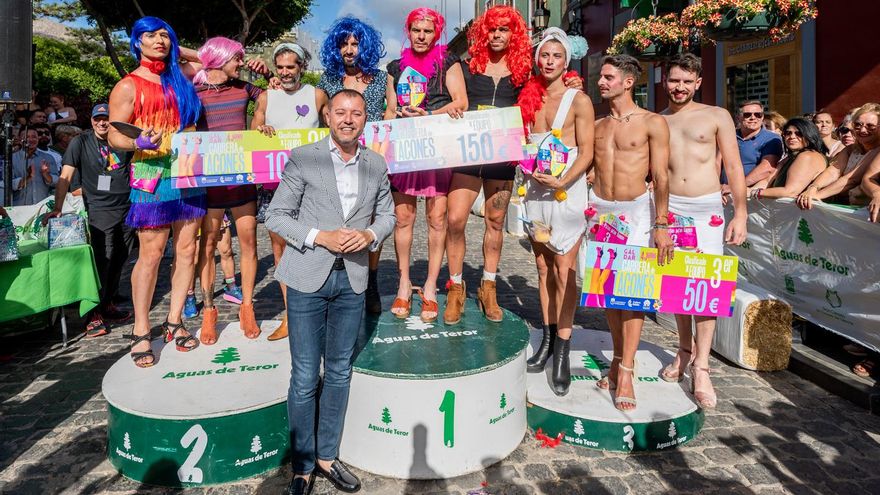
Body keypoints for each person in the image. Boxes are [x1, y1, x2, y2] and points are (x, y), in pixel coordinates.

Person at [265, 89, 395, 495]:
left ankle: (327, 456)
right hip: (306, 277)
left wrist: (371, 234)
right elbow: (275, 215)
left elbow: (389, 214)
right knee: (305, 375)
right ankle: (302, 466)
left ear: (364, 119)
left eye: (356, 113)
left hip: (353, 280)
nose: (348, 119)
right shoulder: (305, 157)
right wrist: (319, 236)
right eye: (341, 112)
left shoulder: (375, 163)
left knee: (339, 371)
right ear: (328, 115)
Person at [107, 16, 206, 368]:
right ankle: (141, 329)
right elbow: (113, 135)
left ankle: (175, 321)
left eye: (165, 35)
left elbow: (207, 59)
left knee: (187, 251)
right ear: (136, 42)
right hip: (150, 173)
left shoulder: (181, 79)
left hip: (188, 169)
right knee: (150, 254)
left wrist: (178, 47)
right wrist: (136, 139)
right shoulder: (128, 86)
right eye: (150, 35)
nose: (159, 40)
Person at [659, 53, 748, 409]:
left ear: (697, 83)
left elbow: (735, 166)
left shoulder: (716, 116)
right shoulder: (657, 120)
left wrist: (740, 212)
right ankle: (684, 350)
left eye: (686, 81)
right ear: (664, 81)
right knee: (678, 286)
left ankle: (702, 366)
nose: (679, 87)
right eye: (673, 80)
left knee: (706, 287)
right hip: (671, 211)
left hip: (706, 209)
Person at [444, 5, 536, 325]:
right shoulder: (469, 67)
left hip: (502, 157)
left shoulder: (523, 72)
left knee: (495, 222)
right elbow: (449, 101)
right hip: (468, 155)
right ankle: (456, 287)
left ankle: (488, 286)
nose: (497, 35)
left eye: (504, 30)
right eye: (492, 29)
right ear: (485, 32)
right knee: (454, 219)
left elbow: (539, 104)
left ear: (514, 34)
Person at [591, 54, 674, 412]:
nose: (601, 82)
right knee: (609, 292)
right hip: (601, 213)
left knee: (634, 293)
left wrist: (662, 224)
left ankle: (627, 369)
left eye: (608, 77)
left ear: (628, 82)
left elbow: (662, 177)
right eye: (601, 77)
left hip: (637, 212)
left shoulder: (652, 123)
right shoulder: (596, 125)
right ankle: (616, 358)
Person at [517, 28, 594, 396]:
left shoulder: (578, 99)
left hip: (566, 193)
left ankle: (563, 349)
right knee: (543, 267)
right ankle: (547, 339)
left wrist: (563, 182)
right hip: (534, 190)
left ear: (567, 61)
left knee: (565, 271)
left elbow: (587, 152)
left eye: (556, 56)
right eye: (544, 56)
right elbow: (520, 142)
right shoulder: (528, 97)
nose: (549, 62)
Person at [384, 7, 467, 322]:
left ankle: (431, 287)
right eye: (416, 30)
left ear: (436, 34)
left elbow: (461, 102)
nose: (421, 36)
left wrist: (428, 116)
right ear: (408, 31)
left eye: (427, 31)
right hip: (405, 149)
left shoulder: (448, 61)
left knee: (437, 219)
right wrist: (398, 116)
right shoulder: (395, 67)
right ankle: (404, 284)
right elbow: (389, 111)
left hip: (437, 147)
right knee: (403, 218)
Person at [317, 16, 396, 315]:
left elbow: (391, 112)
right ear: (335, 48)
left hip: (373, 161)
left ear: (365, 45)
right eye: (344, 44)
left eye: (355, 43)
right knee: (342, 218)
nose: (349, 49)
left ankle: (371, 282)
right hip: (338, 161)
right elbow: (312, 116)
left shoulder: (381, 77)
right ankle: (338, 281)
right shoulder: (328, 80)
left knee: (373, 220)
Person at [191, 36, 264, 344]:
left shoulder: (245, 88)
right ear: (221, 59)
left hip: (241, 177)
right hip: (207, 182)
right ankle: (209, 309)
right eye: (237, 58)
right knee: (206, 247)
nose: (241, 62)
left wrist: (264, 74)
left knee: (248, 244)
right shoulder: (193, 92)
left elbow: (276, 96)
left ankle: (247, 306)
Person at [252, 42, 325, 341]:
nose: (284, 73)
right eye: (279, 67)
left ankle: (317, 309)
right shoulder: (267, 97)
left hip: (313, 185)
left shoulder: (317, 95)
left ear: (301, 68)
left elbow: (335, 125)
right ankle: (290, 315)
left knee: (314, 246)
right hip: (276, 184)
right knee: (280, 248)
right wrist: (261, 129)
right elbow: (254, 128)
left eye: (290, 67)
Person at [43, 103, 134, 337]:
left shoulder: (123, 140)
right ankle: (92, 313)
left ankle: (108, 303)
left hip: (128, 207)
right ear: (92, 121)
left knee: (121, 258)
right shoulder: (80, 143)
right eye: (98, 119)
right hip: (99, 209)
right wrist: (58, 207)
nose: (102, 122)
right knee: (102, 260)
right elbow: (65, 176)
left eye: (106, 118)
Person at [797, 103, 880, 209]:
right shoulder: (850, 149)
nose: (862, 130)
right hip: (844, 206)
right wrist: (813, 188)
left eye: (870, 126)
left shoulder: (877, 151)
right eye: (857, 125)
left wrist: (816, 196)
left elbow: (851, 179)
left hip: (864, 212)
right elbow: (834, 171)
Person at [750, 118, 828, 200]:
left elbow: (790, 192)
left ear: (809, 135)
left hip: (803, 212)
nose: (792, 137)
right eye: (788, 133)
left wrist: (755, 193)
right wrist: (747, 190)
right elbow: (767, 181)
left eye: (799, 133)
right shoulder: (789, 157)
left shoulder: (807, 156)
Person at [726, 100, 783, 188]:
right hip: (721, 191)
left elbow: (767, 168)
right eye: (747, 115)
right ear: (738, 118)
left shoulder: (771, 138)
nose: (753, 117)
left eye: (758, 114)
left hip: (749, 194)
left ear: (762, 117)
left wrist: (737, 187)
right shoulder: (728, 135)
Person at [11, 127, 58, 205]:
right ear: (19, 139)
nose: (30, 140)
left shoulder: (48, 157)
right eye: (26, 137)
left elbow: (57, 182)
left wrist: (46, 175)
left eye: (34, 137)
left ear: (38, 139)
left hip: (43, 206)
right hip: (19, 208)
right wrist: (28, 177)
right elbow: (8, 185)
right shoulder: (12, 159)